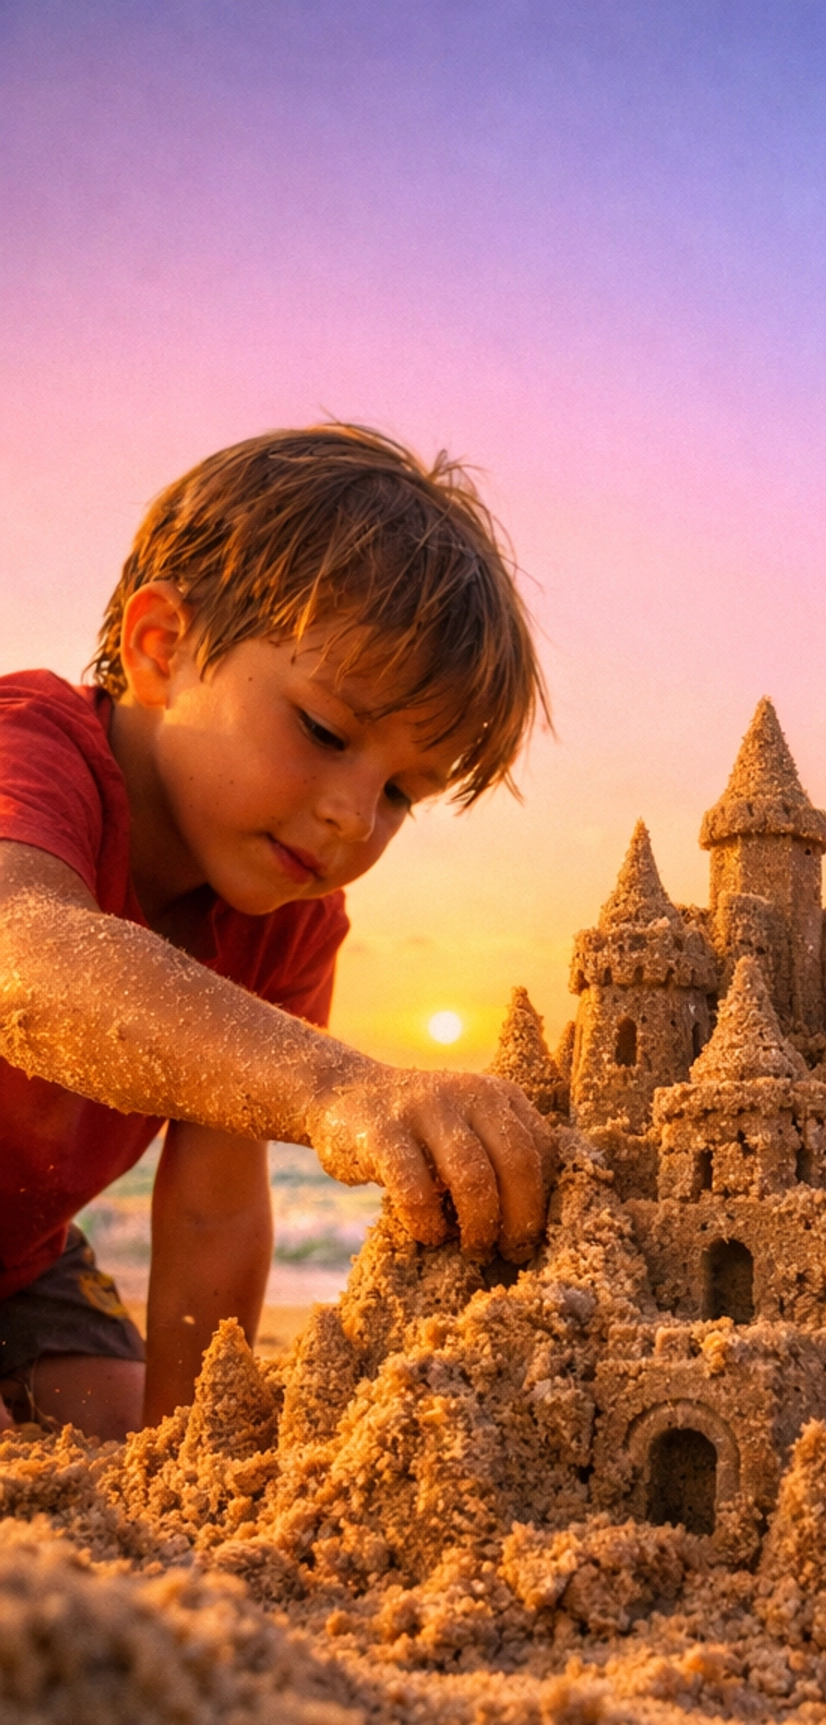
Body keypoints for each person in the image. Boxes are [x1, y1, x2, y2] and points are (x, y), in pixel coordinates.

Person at [0, 423, 555, 1440]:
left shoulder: (287, 915)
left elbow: (213, 1205)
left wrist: (183, 1462)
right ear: (162, 646)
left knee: (123, 1428)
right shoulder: (28, 751)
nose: (352, 816)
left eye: (400, 793)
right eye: (325, 732)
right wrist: (338, 1085)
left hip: (19, 1264)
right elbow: (27, 966)